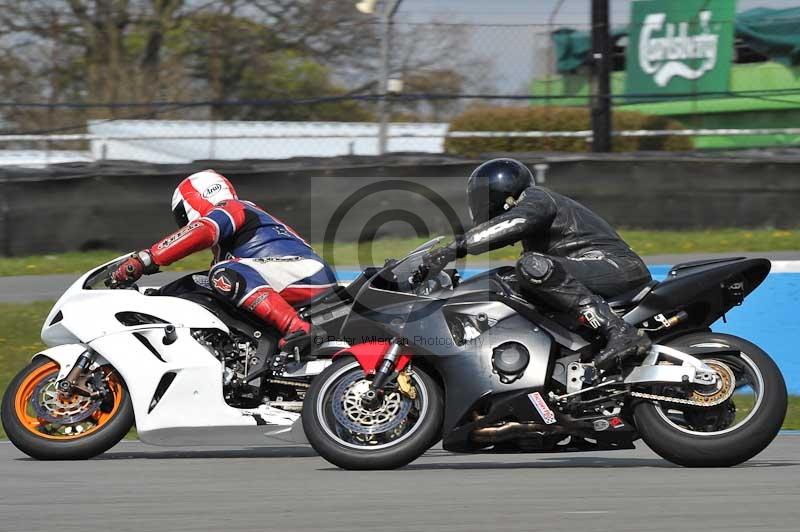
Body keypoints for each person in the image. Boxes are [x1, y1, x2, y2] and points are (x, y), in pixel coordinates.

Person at [418, 158, 652, 372]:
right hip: (598, 268)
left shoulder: (536, 198)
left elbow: (514, 223)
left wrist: (450, 250)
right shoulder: (535, 222)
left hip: (613, 265)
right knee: (510, 281)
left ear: (500, 193)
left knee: (532, 267)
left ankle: (619, 331)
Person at [110, 170, 336, 349]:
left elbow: (203, 230)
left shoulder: (232, 208)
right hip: (295, 274)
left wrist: (146, 259)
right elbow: (199, 285)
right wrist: (156, 298)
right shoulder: (231, 249)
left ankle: (296, 327)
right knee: (210, 282)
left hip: (306, 273)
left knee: (222, 273)